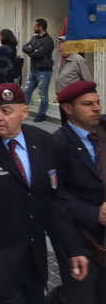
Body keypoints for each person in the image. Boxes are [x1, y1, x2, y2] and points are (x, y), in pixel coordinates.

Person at [0, 83, 89, 303]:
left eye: (6, 111)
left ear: (24, 112)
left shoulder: (42, 141)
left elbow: (54, 200)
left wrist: (73, 248)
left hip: (34, 256)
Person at [52, 81, 105, 303]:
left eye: (98, 103)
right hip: (80, 236)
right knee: (81, 295)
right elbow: (56, 195)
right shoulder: (58, 144)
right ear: (68, 108)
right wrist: (94, 214)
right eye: (87, 104)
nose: (96, 108)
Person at [22, 18, 55, 123]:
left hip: (44, 71)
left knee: (43, 94)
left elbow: (39, 54)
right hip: (33, 70)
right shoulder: (34, 38)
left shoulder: (48, 40)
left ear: (40, 27)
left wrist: (32, 51)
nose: (33, 27)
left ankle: (42, 114)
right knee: (27, 91)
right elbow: (24, 47)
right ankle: (23, 111)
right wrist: (32, 50)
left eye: (35, 26)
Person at [55, 35, 93, 125]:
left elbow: (88, 80)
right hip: (62, 98)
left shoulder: (78, 59)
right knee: (64, 123)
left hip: (73, 99)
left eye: (60, 43)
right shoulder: (62, 59)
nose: (57, 45)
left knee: (73, 124)